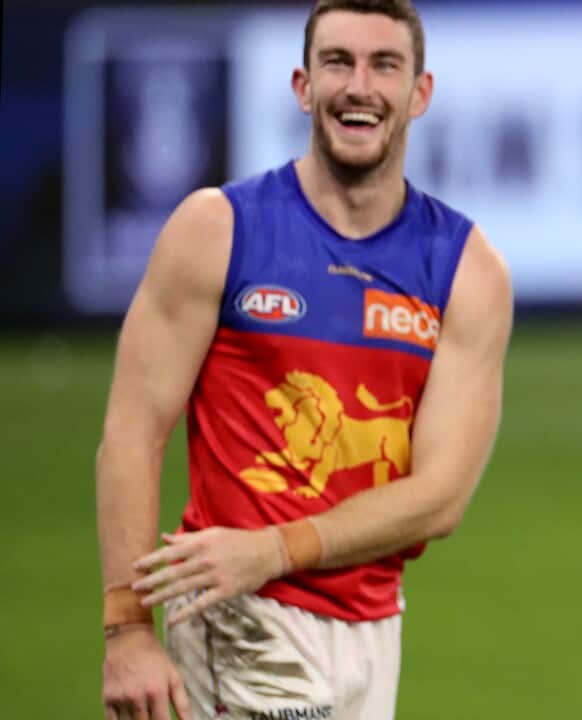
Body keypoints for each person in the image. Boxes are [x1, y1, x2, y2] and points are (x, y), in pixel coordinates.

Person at [96, 1, 512, 718]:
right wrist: (127, 627)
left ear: (419, 92)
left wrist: (278, 548)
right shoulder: (218, 230)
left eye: (384, 65)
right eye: (337, 62)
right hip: (240, 616)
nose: (359, 86)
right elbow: (132, 433)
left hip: (374, 627)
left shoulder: (467, 269)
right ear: (302, 85)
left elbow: (441, 496)